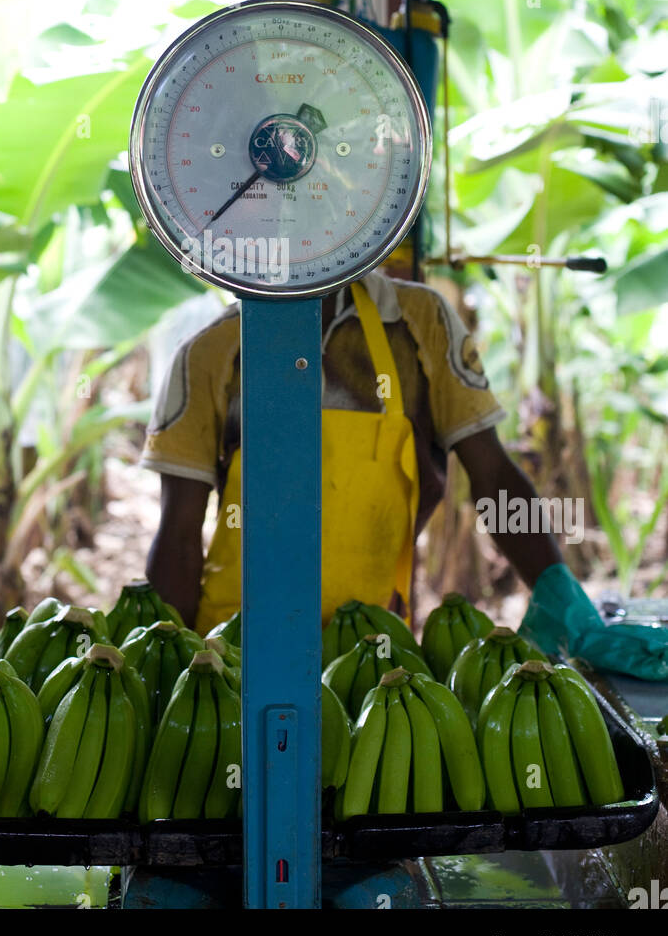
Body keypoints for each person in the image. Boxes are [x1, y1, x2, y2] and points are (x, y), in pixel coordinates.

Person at [139, 266, 668, 680]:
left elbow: (493, 477)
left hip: (375, 652)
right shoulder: (211, 354)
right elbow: (180, 535)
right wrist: (165, 663)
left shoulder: (421, 323)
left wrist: (558, 591)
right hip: (236, 652)